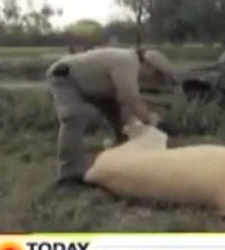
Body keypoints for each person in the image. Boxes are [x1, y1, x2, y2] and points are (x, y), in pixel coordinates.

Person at [45, 46, 181, 185]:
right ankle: (69, 174)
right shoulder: (127, 62)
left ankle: (123, 158)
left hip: (95, 85)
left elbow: (126, 103)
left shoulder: (128, 62)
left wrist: (142, 118)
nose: (154, 79)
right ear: (148, 66)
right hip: (65, 77)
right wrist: (151, 120)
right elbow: (130, 98)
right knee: (74, 117)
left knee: (119, 122)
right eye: (157, 75)